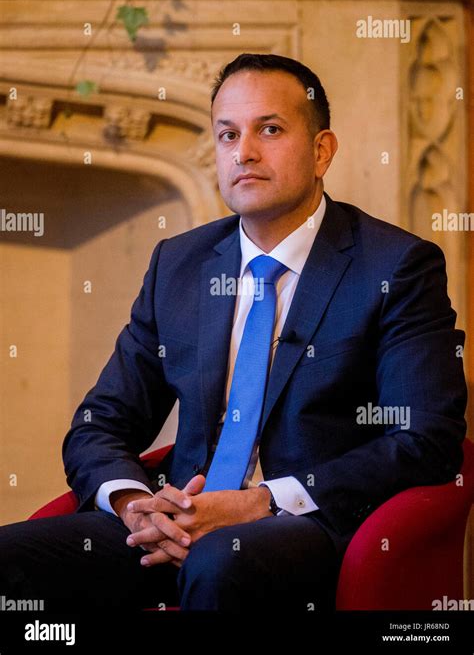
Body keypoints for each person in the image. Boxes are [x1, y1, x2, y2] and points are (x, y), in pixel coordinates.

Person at [0, 53, 467, 613]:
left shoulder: (396, 267)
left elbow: (425, 441)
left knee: (221, 561)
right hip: (173, 523)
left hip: (309, 526)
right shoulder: (180, 264)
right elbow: (101, 423)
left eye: (269, 129)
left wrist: (261, 503)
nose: (243, 151)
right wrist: (134, 504)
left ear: (321, 151)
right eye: (227, 134)